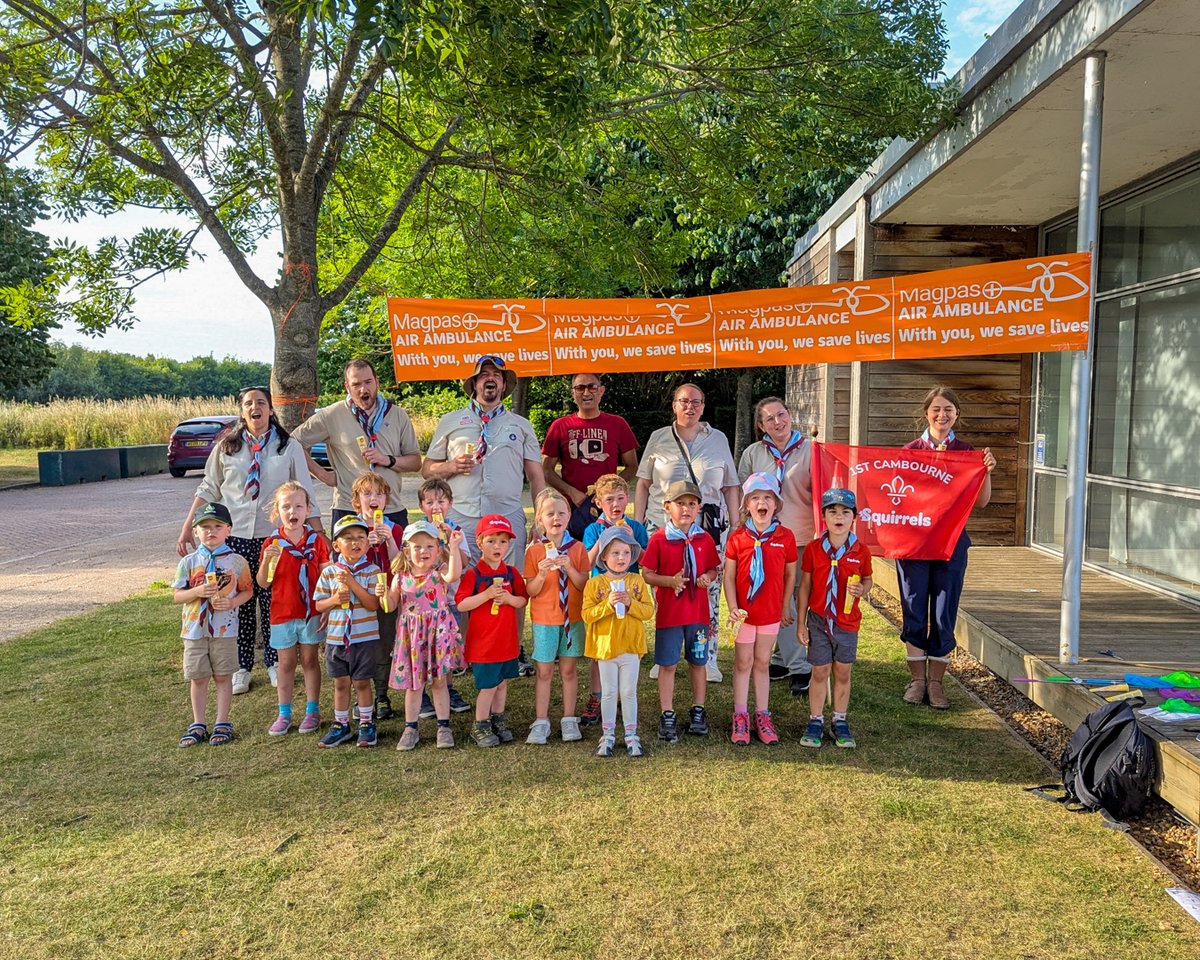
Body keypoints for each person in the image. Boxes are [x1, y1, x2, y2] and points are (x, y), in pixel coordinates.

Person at [177, 385, 322, 695]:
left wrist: (317, 531)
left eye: (261, 402)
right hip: (238, 537)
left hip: (274, 538)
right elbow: (208, 487)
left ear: (270, 409)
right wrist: (188, 525)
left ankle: (273, 660)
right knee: (238, 602)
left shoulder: (288, 446)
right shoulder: (227, 447)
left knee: (274, 601)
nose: (255, 407)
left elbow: (305, 490)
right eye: (248, 404)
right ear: (241, 412)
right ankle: (242, 666)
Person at [424, 355, 544, 675]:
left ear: (504, 385)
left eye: (496, 375)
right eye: (483, 375)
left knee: (512, 583)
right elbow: (427, 470)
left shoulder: (521, 425)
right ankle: (465, 650)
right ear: (474, 384)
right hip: (462, 518)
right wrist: (451, 466)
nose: (490, 379)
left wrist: (540, 516)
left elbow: (535, 476)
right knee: (465, 585)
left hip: (506, 517)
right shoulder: (451, 421)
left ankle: (513, 650)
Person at [896, 386, 997, 710]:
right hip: (915, 545)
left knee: (943, 613)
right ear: (926, 413)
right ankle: (917, 681)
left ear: (957, 414)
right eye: (936, 409)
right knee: (913, 610)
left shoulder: (968, 452)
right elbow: (894, 498)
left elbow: (981, 502)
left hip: (951, 545)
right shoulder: (909, 450)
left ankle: (937, 684)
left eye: (948, 410)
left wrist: (986, 472)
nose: (942, 415)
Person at [634, 382, 739, 682]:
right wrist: (639, 523)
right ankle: (664, 656)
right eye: (684, 401)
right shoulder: (658, 438)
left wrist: (735, 525)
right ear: (674, 405)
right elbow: (643, 483)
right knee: (663, 592)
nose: (689, 407)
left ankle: (708, 657)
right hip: (662, 529)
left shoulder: (718, 439)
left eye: (696, 402)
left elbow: (730, 486)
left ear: (703, 406)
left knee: (708, 590)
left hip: (707, 529)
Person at [737, 396, 814, 696]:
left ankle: (781, 659)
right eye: (770, 419)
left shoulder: (810, 450)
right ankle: (800, 666)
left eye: (781, 415)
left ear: (790, 414)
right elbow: (744, 494)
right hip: (766, 538)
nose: (777, 422)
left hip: (803, 535)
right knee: (780, 599)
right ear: (761, 425)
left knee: (798, 597)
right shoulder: (754, 453)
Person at [292, 358, 422, 528]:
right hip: (348, 508)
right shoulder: (331, 415)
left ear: (377, 382)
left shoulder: (397, 415)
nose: (363, 389)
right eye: (356, 384)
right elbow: (293, 442)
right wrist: (322, 474)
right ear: (347, 387)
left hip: (390, 509)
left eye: (368, 382)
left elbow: (415, 462)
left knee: (396, 555)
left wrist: (387, 460)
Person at [640, 480, 720, 742]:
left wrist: (706, 577)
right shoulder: (660, 540)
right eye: (680, 503)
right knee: (668, 664)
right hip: (670, 617)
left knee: (699, 663)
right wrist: (669, 581)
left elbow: (713, 568)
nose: (686, 509)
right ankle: (667, 712)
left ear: (698, 508)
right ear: (667, 507)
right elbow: (647, 574)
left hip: (697, 616)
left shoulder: (704, 538)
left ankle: (698, 710)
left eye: (692, 504)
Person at [722, 474, 797, 746]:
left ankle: (762, 715)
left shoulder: (785, 537)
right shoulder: (738, 538)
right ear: (746, 505)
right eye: (755, 497)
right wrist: (733, 607)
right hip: (744, 614)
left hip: (769, 613)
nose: (761, 502)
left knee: (763, 662)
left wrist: (786, 604)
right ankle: (740, 715)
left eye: (767, 497)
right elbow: (729, 577)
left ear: (776, 504)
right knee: (743, 663)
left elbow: (790, 575)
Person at [796, 489, 873, 749]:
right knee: (819, 670)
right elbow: (805, 586)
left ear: (854, 518)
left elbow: (867, 579)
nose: (839, 517)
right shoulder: (814, 549)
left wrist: (863, 589)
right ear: (824, 517)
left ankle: (839, 719)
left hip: (847, 622)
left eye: (845, 512)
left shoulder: (861, 550)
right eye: (833, 512)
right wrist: (801, 622)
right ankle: (815, 719)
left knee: (843, 670)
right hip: (818, 620)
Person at [173, 502, 253, 748]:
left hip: (225, 630)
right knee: (198, 677)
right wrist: (197, 591)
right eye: (205, 527)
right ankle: (198, 723)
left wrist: (231, 604)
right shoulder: (188, 562)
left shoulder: (237, 561)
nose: (211, 531)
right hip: (195, 631)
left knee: (223, 675)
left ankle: (222, 721)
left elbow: (247, 591)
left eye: (217, 526)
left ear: (228, 529)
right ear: (195, 531)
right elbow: (177, 596)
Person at [256, 482, 330, 737]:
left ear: (308, 509)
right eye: (286, 506)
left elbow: (326, 575)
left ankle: (312, 710)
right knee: (285, 663)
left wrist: (328, 608)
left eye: (298, 506)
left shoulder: (316, 541)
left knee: (310, 659)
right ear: (277, 511)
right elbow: (263, 582)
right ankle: (284, 713)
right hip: (283, 612)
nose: (292, 511)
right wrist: (266, 560)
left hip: (311, 612)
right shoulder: (272, 543)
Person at [387, 520, 466, 751]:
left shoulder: (439, 571)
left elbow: (454, 575)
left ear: (438, 549)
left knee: (440, 680)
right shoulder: (400, 577)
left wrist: (453, 547)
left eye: (430, 546)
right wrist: (382, 594)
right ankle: (410, 728)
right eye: (417, 546)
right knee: (414, 685)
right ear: (406, 550)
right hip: (412, 636)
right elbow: (391, 605)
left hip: (437, 633)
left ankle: (444, 727)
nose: (424, 551)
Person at [579, 473, 649, 725]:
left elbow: (647, 562)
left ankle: (623, 696)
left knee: (627, 643)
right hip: (601, 595)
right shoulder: (593, 529)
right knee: (601, 648)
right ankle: (598, 695)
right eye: (609, 499)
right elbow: (587, 562)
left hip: (630, 593)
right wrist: (603, 538)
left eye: (621, 498)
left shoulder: (636, 527)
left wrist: (632, 540)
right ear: (598, 502)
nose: (616, 504)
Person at [523, 489, 591, 745]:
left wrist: (569, 568)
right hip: (544, 621)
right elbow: (530, 590)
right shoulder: (534, 552)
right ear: (540, 519)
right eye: (550, 514)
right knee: (543, 671)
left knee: (569, 669)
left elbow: (584, 584)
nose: (556, 518)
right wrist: (541, 574)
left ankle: (569, 718)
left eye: (561, 513)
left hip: (572, 619)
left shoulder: (578, 548)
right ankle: (541, 720)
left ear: (569, 515)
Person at [455, 514, 529, 747]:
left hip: (506, 642)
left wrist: (509, 599)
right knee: (488, 686)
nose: (498, 546)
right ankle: (481, 725)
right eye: (491, 541)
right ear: (479, 543)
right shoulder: (473, 575)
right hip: (483, 645)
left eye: (503, 541)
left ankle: (498, 720)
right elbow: (461, 604)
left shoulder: (511, 574)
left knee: (502, 683)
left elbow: (523, 600)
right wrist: (485, 595)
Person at [582, 526, 654, 758]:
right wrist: (608, 605)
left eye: (625, 553)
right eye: (615, 553)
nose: (621, 558)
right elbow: (587, 615)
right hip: (605, 648)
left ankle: (632, 735)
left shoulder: (636, 581)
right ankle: (608, 734)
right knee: (610, 692)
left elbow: (648, 611)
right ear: (604, 556)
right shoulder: (595, 584)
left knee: (628, 691)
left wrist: (631, 603)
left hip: (631, 647)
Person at [313, 516, 386, 748]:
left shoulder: (372, 571)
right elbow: (318, 605)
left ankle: (366, 722)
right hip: (336, 638)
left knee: (362, 682)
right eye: (348, 538)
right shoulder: (329, 573)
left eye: (361, 538)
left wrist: (353, 584)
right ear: (336, 545)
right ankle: (341, 724)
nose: (355, 543)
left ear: (367, 543)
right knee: (341, 682)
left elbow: (373, 604)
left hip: (364, 638)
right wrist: (334, 600)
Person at [542, 372, 640, 539]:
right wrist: (571, 492)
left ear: (601, 390)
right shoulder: (560, 426)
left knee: (609, 556)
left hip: (607, 508)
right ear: (573, 393)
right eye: (580, 388)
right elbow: (546, 470)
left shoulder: (617, 424)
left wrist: (608, 490)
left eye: (592, 387)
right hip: (571, 507)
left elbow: (632, 466)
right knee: (573, 558)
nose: (586, 393)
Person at [351, 472, 401, 722]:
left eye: (379, 494)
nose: (374, 498)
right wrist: (365, 544)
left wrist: (389, 540)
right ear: (357, 501)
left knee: (382, 646)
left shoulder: (395, 529)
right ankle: (360, 696)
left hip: (386, 598)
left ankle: (381, 695)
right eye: (367, 493)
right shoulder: (352, 528)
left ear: (386, 500)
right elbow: (346, 563)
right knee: (359, 648)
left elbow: (399, 565)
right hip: (359, 598)